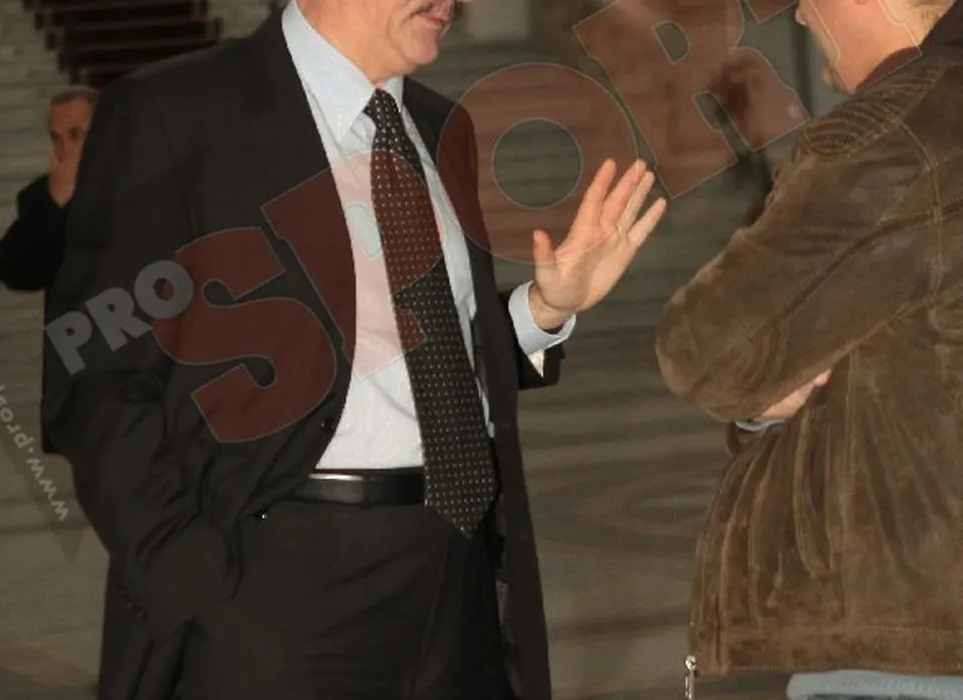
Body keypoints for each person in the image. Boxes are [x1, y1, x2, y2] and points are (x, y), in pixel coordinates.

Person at [40, 0, 666, 698]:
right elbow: (94, 377)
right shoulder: (175, 113)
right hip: (276, 589)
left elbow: (429, 359)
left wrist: (547, 308)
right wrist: (194, 579)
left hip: (457, 582)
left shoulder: (440, 125)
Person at [656, 1, 963, 699]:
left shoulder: (896, 134)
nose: (799, 17)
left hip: (911, 641)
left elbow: (703, 349)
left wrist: (766, 391)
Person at [0, 85, 97, 454]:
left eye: (76, 135)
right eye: (56, 138)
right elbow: (16, 270)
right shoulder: (42, 198)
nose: (65, 148)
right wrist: (55, 204)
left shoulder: (147, 189)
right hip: (83, 379)